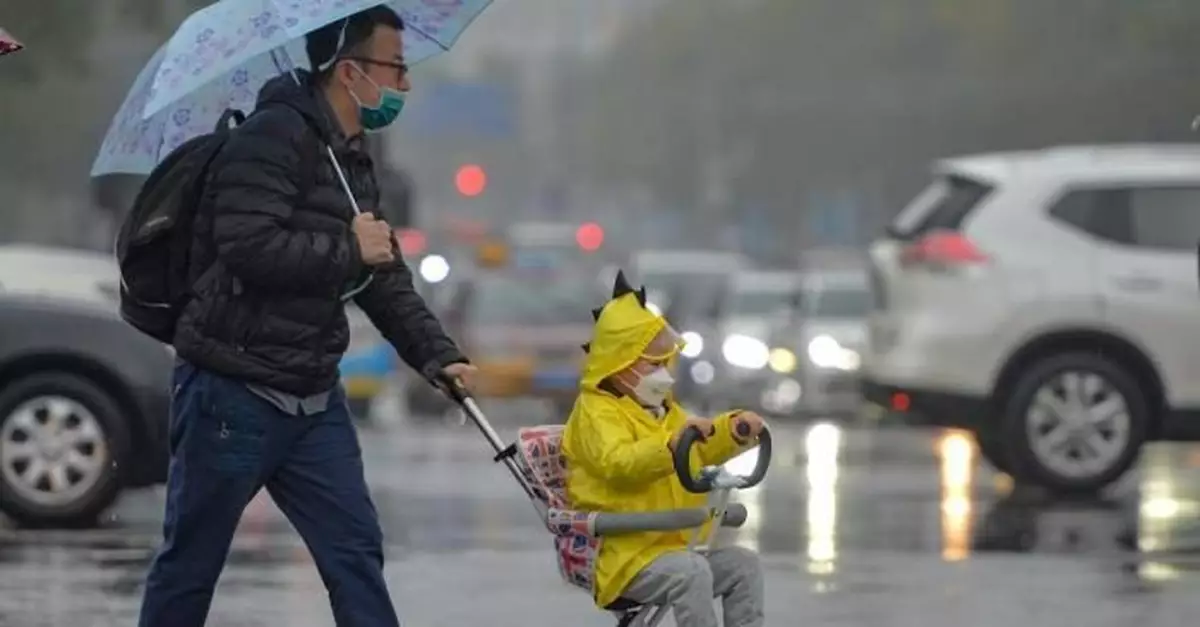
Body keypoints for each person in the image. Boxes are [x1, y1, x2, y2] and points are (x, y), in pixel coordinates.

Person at [137, 7, 474, 627]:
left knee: (354, 557)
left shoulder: (353, 156)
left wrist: (439, 355)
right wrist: (350, 248)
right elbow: (248, 249)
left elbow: (383, 277)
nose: (405, 83)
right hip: (231, 393)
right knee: (191, 566)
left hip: (313, 399)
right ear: (350, 72)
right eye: (394, 67)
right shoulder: (267, 140)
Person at [562, 271, 767, 627]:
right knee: (691, 573)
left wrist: (734, 430)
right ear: (620, 363)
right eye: (653, 364)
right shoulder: (596, 413)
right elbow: (618, 463)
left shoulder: (662, 411)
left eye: (664, 362)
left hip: (673, 548)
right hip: (625, 560)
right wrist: (669, 446)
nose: (664, 372)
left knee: (743, 566)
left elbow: (698, 447)